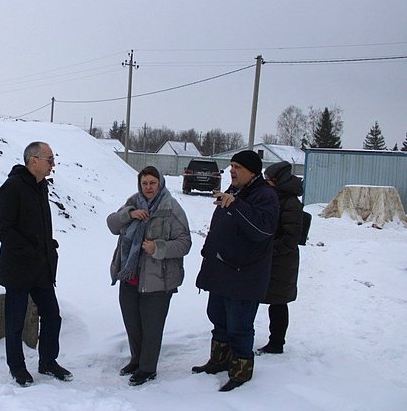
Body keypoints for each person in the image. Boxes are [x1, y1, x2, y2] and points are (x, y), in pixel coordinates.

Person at [193, 150, 279, 391]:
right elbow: (220, 226)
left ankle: (241, 370)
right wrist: (208, 251)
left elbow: (262, 230)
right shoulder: (234, 191)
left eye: (238, 167)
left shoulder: (265, 195)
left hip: (244, 275)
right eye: (231, 165)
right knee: (217, 317)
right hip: (221, 270)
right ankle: (219, 360)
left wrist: (237, 206)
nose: (232, 170)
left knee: (239, 325)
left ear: (252, 171)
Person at [0, 141, 72, 387]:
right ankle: (17, 368)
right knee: (15, 322)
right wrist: (30, 250)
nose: (53, 164)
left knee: (52, 316)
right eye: (50, 159)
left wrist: (48, 248)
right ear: (34, 160)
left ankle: (48, 361)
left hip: (41, 267)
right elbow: (3, 230)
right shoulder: (12, 187)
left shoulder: (41, 187)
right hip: (18, 267)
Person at [107, 166, 192, 386]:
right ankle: (136, 360)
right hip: (129, 276)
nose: (148, 187)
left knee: (151, 328)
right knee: (133, 324)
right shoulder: (133, 202)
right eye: (144, 183)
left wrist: (158, 248)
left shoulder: (171, 208)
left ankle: (147, 368)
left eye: (152, 183)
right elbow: (112, 224)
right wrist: (129, 214)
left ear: (160, 183)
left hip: (158, 281)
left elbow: (184, 243)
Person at [257, 161, 303, 355]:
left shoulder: (290, 203)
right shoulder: (275, 198)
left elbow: (290, 238)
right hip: (271, 257)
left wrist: (268, 248)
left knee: (278, 302)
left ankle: (276, 343)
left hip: (282, 260)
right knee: (268, 299)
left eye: (269, 180)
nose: (266, 183)